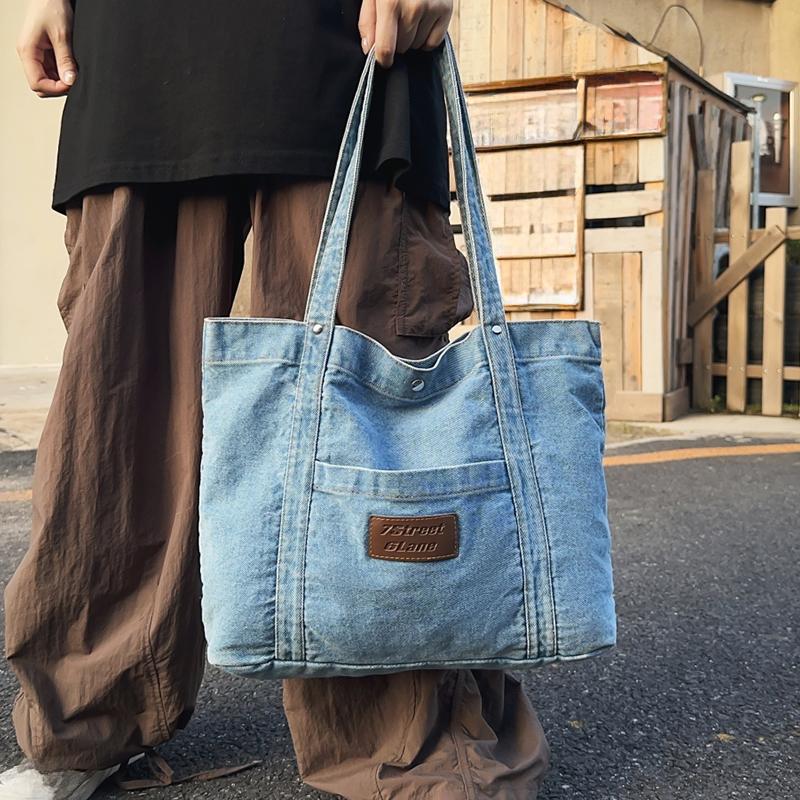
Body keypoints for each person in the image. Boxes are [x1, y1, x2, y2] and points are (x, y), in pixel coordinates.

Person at [2, 1, 551, 798]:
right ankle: (88, 721)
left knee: (369, 410)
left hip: (336, 37)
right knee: (117, 413)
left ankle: (411, 752)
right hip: (134, 50)